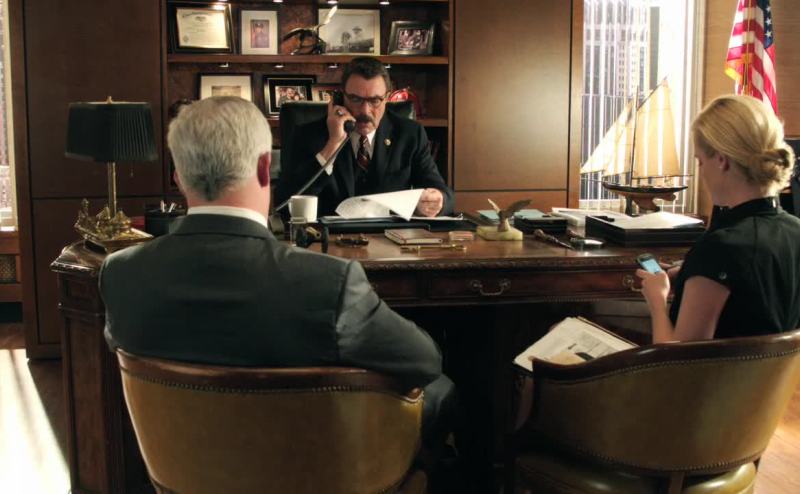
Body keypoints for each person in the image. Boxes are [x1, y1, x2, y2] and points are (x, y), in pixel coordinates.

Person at [99, 96, 457, 464]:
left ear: (178, 176)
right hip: (315, 473)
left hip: (180, 472)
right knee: (440, 391)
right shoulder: (332, 283)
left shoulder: (120, 274)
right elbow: (424, 361)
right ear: (264, 169)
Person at [637, 95, 800, 343]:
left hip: (716, 372)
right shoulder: (795, 231)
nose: (701, 172)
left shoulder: (718, 249)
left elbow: (678, 360)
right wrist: (694, 273)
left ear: (722, 160)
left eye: (700, 162)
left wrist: (657, 300)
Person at [275, 56, 454, 217]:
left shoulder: (410, 134)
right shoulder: (308, 134)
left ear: (387, 98)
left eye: (375, 101)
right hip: (329, 238)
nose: (365, 111)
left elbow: (444, 195)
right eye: (355, 99)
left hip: (390, 238)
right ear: (340, 98)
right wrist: (333, 143)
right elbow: (284, 204)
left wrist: (437, 201)